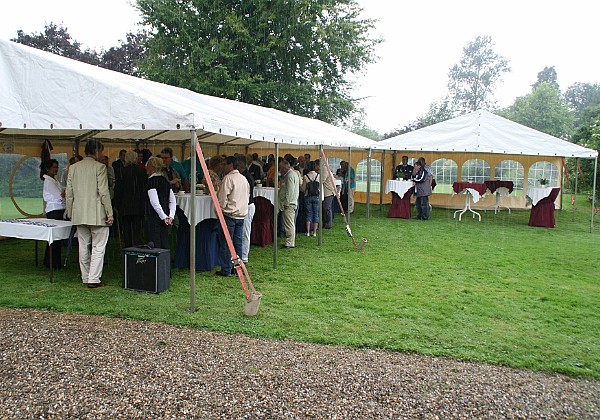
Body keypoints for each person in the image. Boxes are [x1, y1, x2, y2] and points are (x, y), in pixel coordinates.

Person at [66, 139, 113, 288]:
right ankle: (94, 278)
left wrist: (69, 211)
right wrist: (109, 212)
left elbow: (69, 193)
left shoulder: (73, 168)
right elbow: (104, 192)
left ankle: (85, 276)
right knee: (98, 246)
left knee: (83, 245)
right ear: (97, 152)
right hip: (97, 213)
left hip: (79, 213)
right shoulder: (100, 167)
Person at [215, 156, 249, 276]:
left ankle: (226, 269)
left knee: (226, 243)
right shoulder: (243, 179)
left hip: (230, 214)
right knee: (237, 243)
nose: (223, 167)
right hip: (241, 215)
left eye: (225, 164)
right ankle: (237, 267)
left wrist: (219, 209)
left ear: (230, 165)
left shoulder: (228, 178)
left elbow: (222, 197)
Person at [114, 150, 147, 248]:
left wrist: (116, 204)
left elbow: (118, 189)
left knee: (127, 230)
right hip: (139, 204)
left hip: (125, 205)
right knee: (137, 230)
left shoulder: (121, 171)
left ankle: (128, 249)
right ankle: (137, 248)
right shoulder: (142, 171)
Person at [145, 156, 176, 249]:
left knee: (155, 242)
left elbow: (154, 202)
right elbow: (172, 200)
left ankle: (157, 262)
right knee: (164, 240)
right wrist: (170, 216)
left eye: (148, 165)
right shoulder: (165, 181)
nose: (146, 167)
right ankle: (165, 261)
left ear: (153, 167)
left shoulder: (151, 181)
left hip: (154, 216)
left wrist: (163, 217)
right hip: (165, 215)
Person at [40, 159, 66, 269]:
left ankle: (53, 261)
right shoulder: (48, 181)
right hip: (54, 210)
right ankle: (52, 262)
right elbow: (60, 194)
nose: (56, 169)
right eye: (54, 167)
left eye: (57, 167)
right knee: (54, 237)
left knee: (57, 238)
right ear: (48, 168)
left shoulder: (54, 180)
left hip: (58, 209)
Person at [236, 156, 254, 263]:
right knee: (243, 232)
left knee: (245, 233)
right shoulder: (246, 176)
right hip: (246, 205)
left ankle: (244, 256)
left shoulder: (246, 177)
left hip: (248, 206)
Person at [278, 159, 299, 248]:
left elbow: (289, 190)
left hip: (289, 203)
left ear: (284, 168)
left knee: (289, 223)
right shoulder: (293, 174)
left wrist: (286, 202)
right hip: (292, 202)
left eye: (280, 169)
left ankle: (290, 242)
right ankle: (290, 241)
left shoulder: (289, 176)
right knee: (289, 223)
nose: (280, 171)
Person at [301, 161, 320, 237]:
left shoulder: (306, 176)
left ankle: (308, 232)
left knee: (308, 214)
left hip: (308, 196)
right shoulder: (318, 176)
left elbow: (303, 188)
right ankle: (314, 232)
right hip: (316, 196)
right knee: (316, 214)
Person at [316, 159, 335, 229]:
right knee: (326, 208)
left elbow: (321, 180)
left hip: (329, 191)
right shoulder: (325, 168)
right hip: (328, 191)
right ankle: (326, 223)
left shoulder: (324, 169)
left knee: (326, 208)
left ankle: (328, 224)